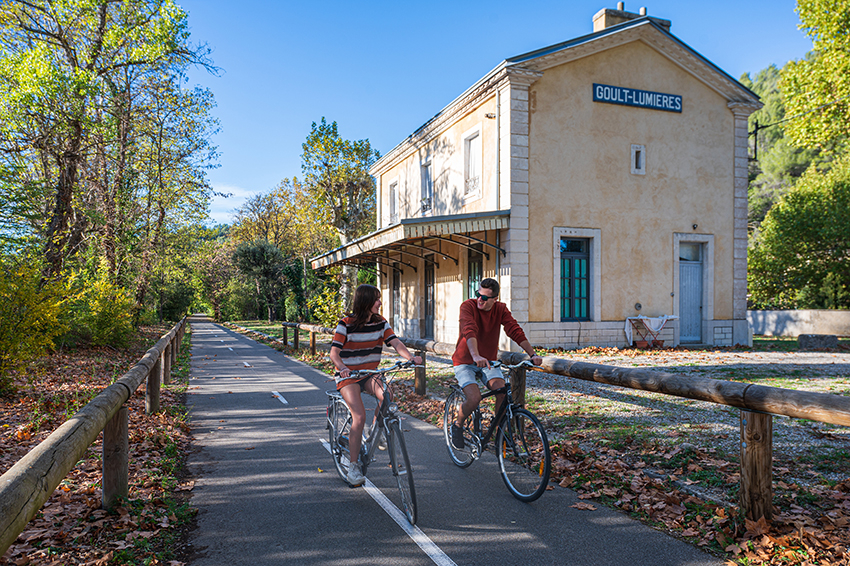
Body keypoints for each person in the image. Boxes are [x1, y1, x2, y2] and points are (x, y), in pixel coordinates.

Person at [329, 284, 422, 487]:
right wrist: (342, 367)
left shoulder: (381, 323)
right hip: (349, 376)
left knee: (387, 395)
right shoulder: (345, 324)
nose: (380, 302)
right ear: (365, 302)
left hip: (370, 373)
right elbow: (334, 353)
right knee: (359, 416)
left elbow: (396, 343)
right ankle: (353, 466)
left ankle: (375, 430)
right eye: (376, 299)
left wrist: (410, 358)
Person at [450, 277, 542, 450]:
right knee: (475, 398)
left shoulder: (500, 309)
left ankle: (498, 432)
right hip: (465, 361)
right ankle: (457, 425)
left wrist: (532, 354)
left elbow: (513, 329)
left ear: (495, 299)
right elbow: (469, 330)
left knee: (502, 392)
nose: (480, 299)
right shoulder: (468, 306)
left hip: (489, 362)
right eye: (478, 295)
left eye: (485, 298)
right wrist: (476, 355)